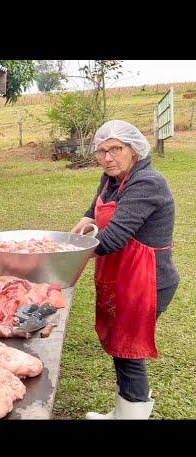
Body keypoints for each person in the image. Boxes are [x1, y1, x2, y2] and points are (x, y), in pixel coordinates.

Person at [71, 120, 179, 420]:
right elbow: (97, 206)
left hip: (148, 280)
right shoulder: (112, 178)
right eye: (102, 151)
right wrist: (85, 217)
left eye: (116, 149)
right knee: (119, 344)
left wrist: (62, 253)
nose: (108, 158)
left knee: (127, 349)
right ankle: (124, 411)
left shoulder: (147, 183)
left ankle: (132, 413)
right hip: (122, 274)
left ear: (134, 149)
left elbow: (112, 240)